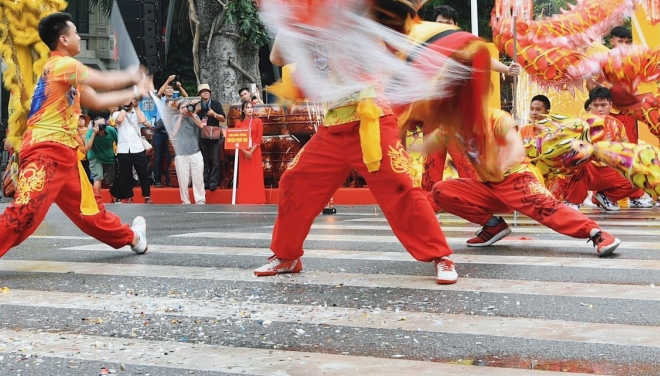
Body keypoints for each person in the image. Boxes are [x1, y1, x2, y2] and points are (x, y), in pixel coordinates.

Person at [0, 12, 153, 280]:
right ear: (63, 39)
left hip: (65, 154)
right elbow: (104, 81)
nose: (80, 37)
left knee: (90, 213)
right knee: (26, 210)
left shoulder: (68, 72)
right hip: (44, 151)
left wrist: (135, 91)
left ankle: (134, 237)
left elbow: (98, 99)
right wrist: (134, 74)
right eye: (76, 33)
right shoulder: (62, 65)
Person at [254, 45, 459, 285]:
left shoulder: (357, 15)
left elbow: (383, 41)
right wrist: (296, 18)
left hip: (371, 121)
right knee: (294, 181)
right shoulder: (309, 28)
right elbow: (277, 55)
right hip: (333, 126)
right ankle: (287, 256)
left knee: (400, 187)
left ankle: (440, 256)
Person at [431, 109, 621, 256]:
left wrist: (500, 166)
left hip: (516, 178)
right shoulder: (449, 127)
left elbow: (517, 148)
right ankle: (493, 226)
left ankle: (597, 234)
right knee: (441, 190)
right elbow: (420, 144)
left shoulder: (496, 117)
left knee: (548, 209)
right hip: (488, 188)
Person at [111, 100, 152, 204]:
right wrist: (125, 107)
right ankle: (129, 197)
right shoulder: (117, 113)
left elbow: (143, 121)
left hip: (137, 147)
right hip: (123, 149)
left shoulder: (137, 112)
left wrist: (136, 107)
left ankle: (147, 196)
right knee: (125, 174)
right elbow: (119, 120)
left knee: (143, 173)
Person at [170, 89, 207, 204]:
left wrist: (191, 115)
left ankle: (200, 200)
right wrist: (181, 116)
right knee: (183, 180)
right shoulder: (175, 118)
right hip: (181, 153)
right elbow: (174, 132)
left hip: (195, 151)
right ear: (179, 109)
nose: (185, 109)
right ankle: (185, 201)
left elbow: (201, 125)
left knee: (198, 178)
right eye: (183, 107)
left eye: (187, 107)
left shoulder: (194, 116)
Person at [194, 83, 226, 192]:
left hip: (214, 135)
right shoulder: (197, 105)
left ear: (210, 93)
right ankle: (205, 181)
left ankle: (213, 181)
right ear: (199, 94)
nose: (206, 93)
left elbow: (223, 118)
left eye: (207, 91)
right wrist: (196, 111)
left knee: (216, 159)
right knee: (203, 160)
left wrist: (214, 115)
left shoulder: (216, 104)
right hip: (201, 135)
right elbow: (190, 119)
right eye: (203, 91)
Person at [85, 115, 117, 189]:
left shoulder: (111, 130)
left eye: (103, 124)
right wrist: (93, 134)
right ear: (94, 126)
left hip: (109, 157)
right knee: (98, 177)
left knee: (111, 179)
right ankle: (96, 200)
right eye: (98, 125)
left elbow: (119, 142)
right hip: (95, 157)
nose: (101, 126)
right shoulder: (90, 132)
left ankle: (115, 197)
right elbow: (87, 148)